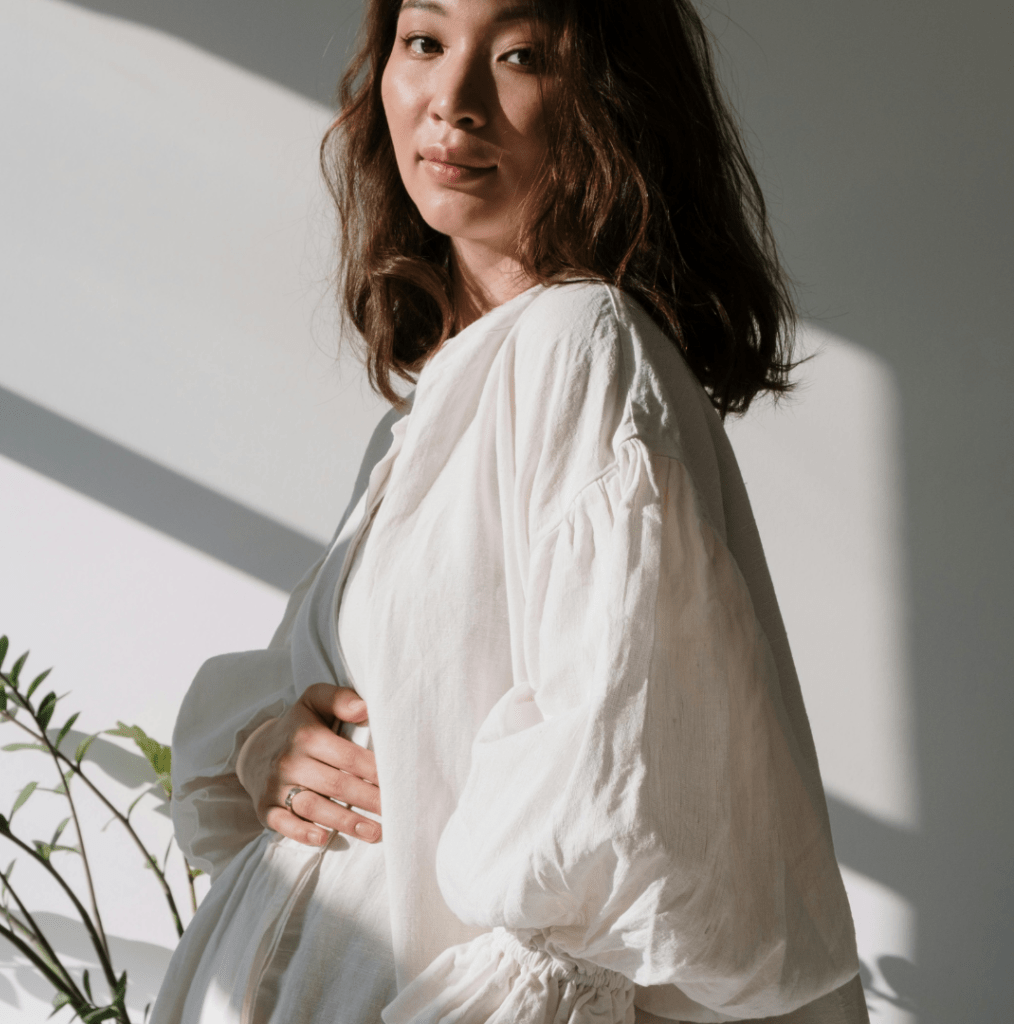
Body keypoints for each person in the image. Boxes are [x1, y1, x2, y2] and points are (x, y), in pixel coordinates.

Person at [152, 1, 869, 1022]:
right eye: (424, 43)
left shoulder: (581, 348)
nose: (453, 100)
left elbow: (607, 844)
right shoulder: (437, 403)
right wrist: (273, 745)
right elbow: (354, 721)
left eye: (521, 55)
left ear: (608, 102)